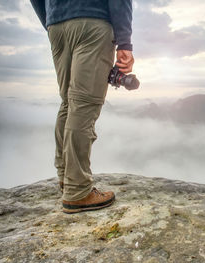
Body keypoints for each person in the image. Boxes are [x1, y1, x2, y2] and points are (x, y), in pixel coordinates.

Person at [30, 0, 134, 214]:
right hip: (92, 21)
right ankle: (78, 191)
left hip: (57, 25)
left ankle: (65, 177)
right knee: (84, 105)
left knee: (68, 102)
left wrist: (51, 21)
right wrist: (125, 42)